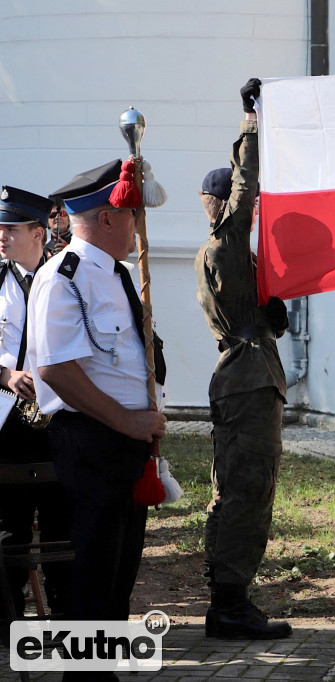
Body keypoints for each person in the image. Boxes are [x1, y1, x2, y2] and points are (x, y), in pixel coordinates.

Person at [27, 159, 167, 638]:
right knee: (93, 578)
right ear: (106, 217)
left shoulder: (117, 274)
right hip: (92, 441)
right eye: (130, 213)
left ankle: (102, 669)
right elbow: (56, 369)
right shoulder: (62, 276)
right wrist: (126, 422)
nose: (137, 222)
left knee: (118, 580)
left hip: (126, 444)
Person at [195, 77, 291, 640]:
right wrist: (250, 120)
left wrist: (267, 316)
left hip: (249, 374)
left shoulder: (229, 254)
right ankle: (229, 605)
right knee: (245, 492)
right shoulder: (225, 242)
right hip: (246, 380)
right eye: (228, 197)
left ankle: (230, 598)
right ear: (219, 202)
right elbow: (247, 185)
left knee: (240, 488)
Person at [0, 186, 71, 622]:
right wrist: (6, 376)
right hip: (9, 420)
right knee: (10, 526)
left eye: (10, 228)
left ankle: (68, 616)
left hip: (60, 417)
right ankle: (7, 618)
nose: (1, 235)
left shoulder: (66, 278)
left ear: (38, 232)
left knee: (63, 522)